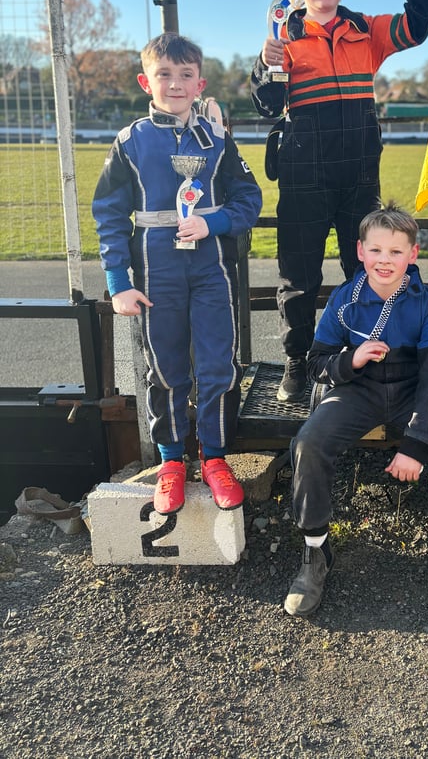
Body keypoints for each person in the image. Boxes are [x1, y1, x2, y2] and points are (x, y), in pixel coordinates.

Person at [249, 0, 428, 403]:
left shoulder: (366, 31)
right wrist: (266, 64)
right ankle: (298, 361)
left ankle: (370, 359)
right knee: (299, 279)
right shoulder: (280, 38)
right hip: (303, 178)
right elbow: (266, 105)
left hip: (358, 178)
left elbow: (418, 24)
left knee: (368, 273)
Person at [283, 203, 428, 618]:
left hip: (417, 388)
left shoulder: (426, 302)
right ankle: (315, 551)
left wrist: (416, 444)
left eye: (396, 252)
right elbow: (316, 364)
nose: (385, 260)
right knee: (308, 442)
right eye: (376, 250)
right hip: (358, 389)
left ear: (412, 255)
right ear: (360, 251)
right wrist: (352, 360)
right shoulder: (344, 300)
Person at [92, 33, 263, 516]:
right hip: (154, 270)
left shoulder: (218, 140)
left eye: (186, 75)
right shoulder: (130, 141)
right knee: (165, 369)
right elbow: (108, 211)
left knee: (217, 367)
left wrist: (213, 222)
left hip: (211, 270)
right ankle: (170, 461)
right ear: (147, 82)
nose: (175, 83)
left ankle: (214, 457)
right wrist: (118, 282)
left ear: (200, 82)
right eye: (164, 74)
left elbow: (250, 200)